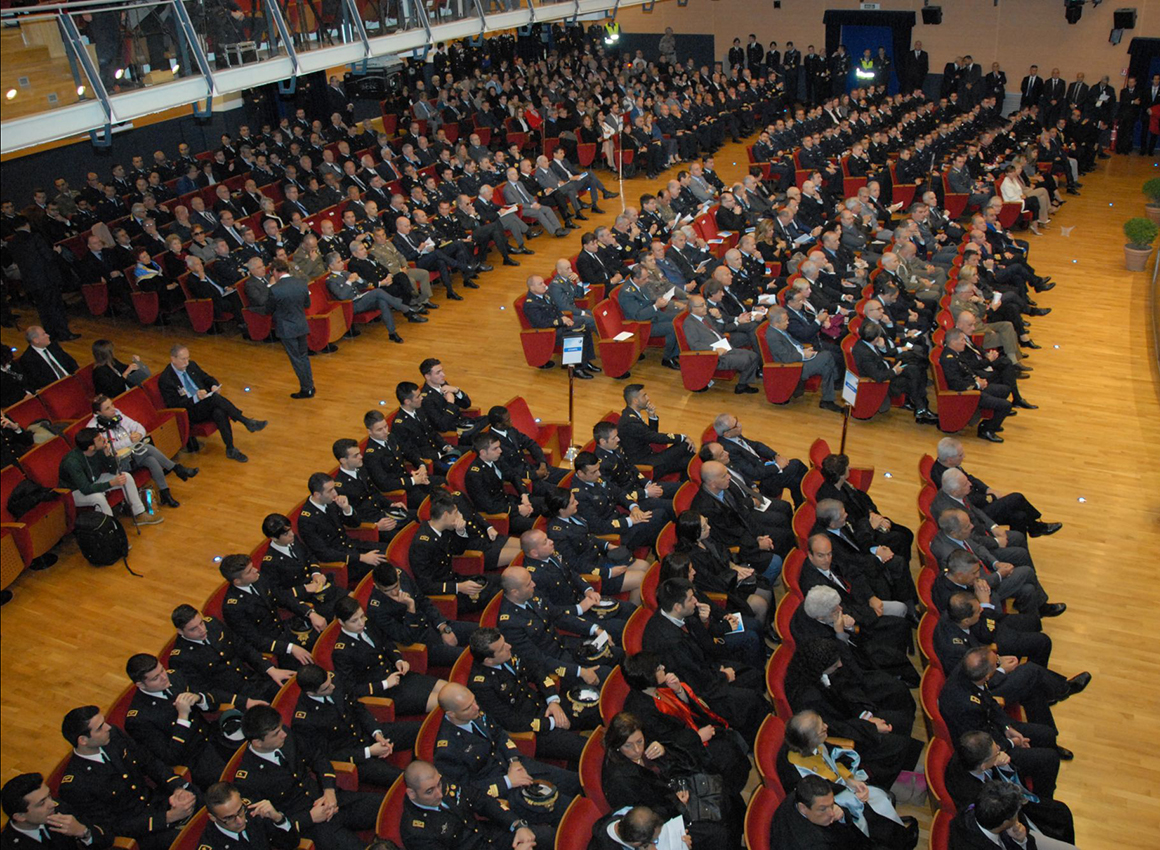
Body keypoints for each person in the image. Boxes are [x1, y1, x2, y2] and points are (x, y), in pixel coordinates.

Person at [432, 683, 580, 829]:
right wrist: (508, 781)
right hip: (500, 790)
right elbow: (466, 790)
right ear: (451, 714)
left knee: (574, 782)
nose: (476, 707)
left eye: (474, 701)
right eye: (467, 708)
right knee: (565, 808)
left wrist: (514, 760)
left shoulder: (474, 710)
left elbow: (499, 734)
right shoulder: (447, 751)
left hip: (515, 765)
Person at [233, 705, 381, 850]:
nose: (283, 734)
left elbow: (318, 758)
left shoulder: (286, 737)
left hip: (329, 800)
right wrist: (309, 818)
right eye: (276, 733)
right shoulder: (247, 780)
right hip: (311, 826)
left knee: (384, 807)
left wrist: (329, 790)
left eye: (281, 728)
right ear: (257, 742)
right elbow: (268, 828)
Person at [783, 639, 924, 790]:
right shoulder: (809, 698)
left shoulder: (815, 670)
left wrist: (865, 715)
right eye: (835, 665)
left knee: (900, 720)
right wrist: (869, 727)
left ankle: (903, 765)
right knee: (896, 744)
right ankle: (877, 779)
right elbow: (834, 728)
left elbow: (844, 690)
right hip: (839, 735)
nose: (840, 665)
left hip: (849, 718)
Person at [56, 705, 198, 850]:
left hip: (158, 801)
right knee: (192, 842)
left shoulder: (114, 737)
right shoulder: (76, 785)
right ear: (83, 740)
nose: (108, 727)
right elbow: (111, 828)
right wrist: (167, 818)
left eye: (104, 722)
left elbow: (150, 763)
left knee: (207, 803)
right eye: (100, 727)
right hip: (141, 832)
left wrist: (177, 788)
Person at [642, 577, 764, 742]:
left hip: (705, 668)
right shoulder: (670, 642)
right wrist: (724, 676)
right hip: (697, 691)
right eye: (691, 599)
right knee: (750, 700)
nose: (695, 601)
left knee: (754, 675)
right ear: (677, 606)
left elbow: (703, 647)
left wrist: (705, 622)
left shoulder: (676, 614)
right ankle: (753, 741)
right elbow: (695, 680)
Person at [776, 710, 918, 849]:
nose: (826, 726)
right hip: (829, 802)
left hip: (839, 788)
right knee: (867, 810)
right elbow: (818, 796)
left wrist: (850, 779)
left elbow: (831, 758)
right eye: (821, 729)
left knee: (875, 798)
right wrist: (850, 792)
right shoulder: (798, 772)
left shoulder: (806, 744)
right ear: (811, 740)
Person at [938, 646, 1064, 798]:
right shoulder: (967, 707)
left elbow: (989, 701)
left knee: (1047, 734)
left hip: (995, 727)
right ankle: (1042, 798)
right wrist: (1012, 742)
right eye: (996, 664)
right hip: (989, 751)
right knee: (1049, 759)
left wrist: (1007, 727)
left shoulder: (968, 669)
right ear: (987, 676)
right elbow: (984, 743)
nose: (999, 663)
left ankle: (1039, 765)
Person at [602, 711, 738, 850]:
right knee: (716, 832)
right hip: (664, 818)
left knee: (724, 792)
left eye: (639, 741)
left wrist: (663, 751)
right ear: (617, 746)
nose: (637, 750)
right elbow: (642, 818)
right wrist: (677, 804)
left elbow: (671, 764)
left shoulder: (643, 742)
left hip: (673, 790)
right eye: (628, 746)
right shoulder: (620, 781)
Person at [467, 627, 595, 763]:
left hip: (543, 704)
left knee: (594, 711)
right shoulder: (482, 685)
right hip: (532, 728)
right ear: (488, 661)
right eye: (502, 648)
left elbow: (537, 671)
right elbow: (509, 721)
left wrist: (553, 701)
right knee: (585, 748)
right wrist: (551, 722)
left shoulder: (507, 652)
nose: (508, 646)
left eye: (505, 642)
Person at [122, 653, 244, 790]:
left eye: (162, 670)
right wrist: (183, 717)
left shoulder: (175, 677)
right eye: (156, 678)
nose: (164, 677)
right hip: (195, 760)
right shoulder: (139, 719)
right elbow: (170, 757)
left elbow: (212, 704)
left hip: (213, 737)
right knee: (237, 785)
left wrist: (199, 699)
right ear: (140, 684)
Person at [291, 664, 420, 788]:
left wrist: (377, 733)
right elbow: (327, 756)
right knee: (407, 779)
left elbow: (358, 709)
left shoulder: (335, 679)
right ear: (311, 693)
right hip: (355, 757)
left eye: (330, 681)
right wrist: (369, 752)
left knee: (420, 731)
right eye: (326, 688)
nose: (333, 687)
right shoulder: (304, 721)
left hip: (366, 733)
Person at [945, 731, 1076, 844]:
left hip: (1012, 799)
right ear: (984, 766)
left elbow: (1013, 779)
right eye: (996, 753)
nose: (999, 751)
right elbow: (996, 822)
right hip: (1008, 818)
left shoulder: (969, 754)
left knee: (1062, 811)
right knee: (1058, 824)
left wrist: (1004, 766)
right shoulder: (972, 795)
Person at [330, 595, 448, 712]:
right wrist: (385, 684)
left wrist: (398, 660)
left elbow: (386, 643)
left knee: (450, 690)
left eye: (362, 616)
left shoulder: (368, 624)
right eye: (354, 621)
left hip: (398, 676)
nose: (361, 623)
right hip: (384, 693)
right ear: (341, 622)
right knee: (447, 703)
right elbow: (351, 689)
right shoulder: (341, 652)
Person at [931, 437, 1061, 537]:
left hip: (978, 504)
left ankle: (1021, 546)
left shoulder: (949, 465)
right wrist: (991, 497)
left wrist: (987, 489)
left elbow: (970, 479)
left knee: (1020, 516)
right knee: (1017, 498)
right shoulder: (945, 478)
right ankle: (1035, 527)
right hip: (975, 514)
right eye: (960, 455)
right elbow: (968, 499)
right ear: (949, 459)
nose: (964, 457)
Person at [519, 527, 633, 639]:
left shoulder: (551, 555)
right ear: (534, 553)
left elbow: (571, 573)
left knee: (629, 609)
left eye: (548, 538)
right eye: (545, 542)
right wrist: (579, 608)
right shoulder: (532, 578)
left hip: (582, 599)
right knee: (622, 628)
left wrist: (588, 590)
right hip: (569, 615)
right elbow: (549, 611)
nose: (551, 542)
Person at [401, 760, 542, 850]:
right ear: (412, 793)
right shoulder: (416, 833)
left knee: (544, 837)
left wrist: (517, 825)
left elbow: (481, 800)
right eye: (429, 791)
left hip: (489, 835)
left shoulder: (443, 783)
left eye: (439, 784)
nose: (439, 793)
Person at [85, 394, 197, 508]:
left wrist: (139, 434)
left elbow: (139, 427)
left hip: (132, 454)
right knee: (147, 448)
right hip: (117, 463)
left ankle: (166, 493)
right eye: (107, 408)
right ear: (98, 413)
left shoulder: (117, 414)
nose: (113, 409)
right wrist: (129, 440)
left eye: (112, 404)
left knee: (151, 460)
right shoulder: (93, 429)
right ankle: (177, 469)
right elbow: (111, 447)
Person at [158, 344, 266, 461]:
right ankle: (246, 421)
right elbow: (175, 405)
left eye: (187, 358)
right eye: (183, 359)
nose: (187, 362)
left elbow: (207, 378)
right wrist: (195, 398)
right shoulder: (166, 379)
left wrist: (213, 385)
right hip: (190, 411)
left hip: (205, 403)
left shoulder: (191, 366)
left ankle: (231, 448)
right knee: (214, 399)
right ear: (173, 359)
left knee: (219, 411)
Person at [168, 604, 293, 704]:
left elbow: (243, 648)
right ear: (180, 631)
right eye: (193, 629)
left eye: (201, 623)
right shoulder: (181, 659)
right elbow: (205, 692)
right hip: (236, 700)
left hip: (256, 680)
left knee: (293, 692)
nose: (202, 630)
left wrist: (269, 669)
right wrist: (244, 702)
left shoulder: (212, 624)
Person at [543, 488, 649, 602]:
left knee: (645, 566)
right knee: (640, 579)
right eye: (573, 502)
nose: (577, 503)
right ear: (561, 509)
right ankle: (633, 611)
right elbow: (574, 565)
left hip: (600, 560)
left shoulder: (572, 516)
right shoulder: (557, 534)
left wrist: (608, 545)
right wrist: (609, 573)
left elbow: (588, 536)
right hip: (593, 575)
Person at [218, 553, 319, 668]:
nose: (256, 570)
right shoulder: (233, 608)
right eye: (249, 571)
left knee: (321, 641)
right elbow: (254, 640)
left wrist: (309, 613)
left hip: (285, 629)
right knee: (309, 666)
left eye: (253, 567)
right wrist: (290, 648)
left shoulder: (258, 579)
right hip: (273, 646)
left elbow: (282, 597)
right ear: (237, 581)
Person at [58, 427, 163, 526]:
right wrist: (110, 484)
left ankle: (139, 514)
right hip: (74, 491)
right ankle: (111, 529)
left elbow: (113, 470)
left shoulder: (99, 449)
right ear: (91, 447)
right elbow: (85, 489)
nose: (104, 439)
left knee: (125, 477)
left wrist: (108, 456)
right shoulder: (72, 462)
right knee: (99, 498)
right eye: (99, 439)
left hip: (94, 480)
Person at [948, 780, 1078, 850]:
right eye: (1016, 813)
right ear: (1006, 822)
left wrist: (1022, 841)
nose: (1018, 816)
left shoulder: (977, 809)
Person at [0, 772, 112, 849]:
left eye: (49, 796)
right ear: (20, 816)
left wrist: (83, 832)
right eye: (42, 803)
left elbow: (107, 840)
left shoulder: (60, 810)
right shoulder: (8, 846)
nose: (52, 804)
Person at [7, 216, 75, 341]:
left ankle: (50, 335)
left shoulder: (12, 243)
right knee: (56, 307)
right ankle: (64, 334)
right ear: (27, 224)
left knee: (43, 310)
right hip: (46, 278)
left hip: (30, 281)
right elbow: (48, 257)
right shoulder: (35, 237)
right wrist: (56, 252)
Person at [768, 774, 879, 850]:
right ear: (803, 808)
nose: (831, 813)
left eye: (832, 804)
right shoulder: (812, 844)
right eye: (823, 809)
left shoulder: (800, 794)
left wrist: (841, 811)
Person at [521, 274, 598, 377]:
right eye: (540, 284)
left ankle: (586, 361)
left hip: (559, 326)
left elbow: (556, 309)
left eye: (543, 282)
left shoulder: (545, 295)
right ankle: (576, 369)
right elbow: (541, 323)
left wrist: (565, 318)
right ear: (532, 288)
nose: (544, 285)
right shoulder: (530, 304)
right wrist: (561, 321)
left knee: (586, 328)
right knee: (576, 336)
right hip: (550, 332)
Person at [682, 295, 761, 393]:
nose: (705, 307)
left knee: (754, 356)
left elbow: (718, 329)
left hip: (724, 346)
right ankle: (742, 385)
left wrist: (719, 318)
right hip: (715, 356)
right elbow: (694, 345)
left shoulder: (705, 317)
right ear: (693, 308)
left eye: (705, 304)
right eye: (702, 305)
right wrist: (714, 350)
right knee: (746, 359)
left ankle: (742, 385)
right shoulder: (689, 324)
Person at [617, 384, 694, 480]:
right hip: (646, 464)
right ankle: (687, 481)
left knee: (688, 459)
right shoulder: (631, 423)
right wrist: (682, 437)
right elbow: (655, 437)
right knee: (686, 446)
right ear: (635, 401)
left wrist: (652, 416)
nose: (648, 398)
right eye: (644, 396)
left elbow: (649, 435)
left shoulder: (629, 414)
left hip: (649, 456)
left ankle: (685, 482)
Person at [199, 781, 299, 849]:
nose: (239, 821)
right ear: (212, 817)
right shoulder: (211, 844)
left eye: (240, 811)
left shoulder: (253, 812)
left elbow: (291, 844)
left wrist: (278, 818)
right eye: (229, 818)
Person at [266, 260, 315, 399]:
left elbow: (268, 309)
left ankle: (306, 389)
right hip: (301, 324)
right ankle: (310, 385)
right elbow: (307, 304)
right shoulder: (301, 283)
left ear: (275, 271)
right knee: (303, 357)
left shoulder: (274, 289)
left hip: (286, 328)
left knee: (296, 359)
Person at [16, 326, 78, 392]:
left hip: (71, 379)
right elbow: (41, 381)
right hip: (56, 388)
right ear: (35, 340)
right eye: (44, 334)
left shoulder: (53, 345)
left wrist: (76, 376)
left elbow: (70, 361)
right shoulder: (28, 359)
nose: (48, 335)